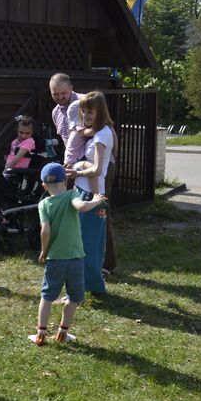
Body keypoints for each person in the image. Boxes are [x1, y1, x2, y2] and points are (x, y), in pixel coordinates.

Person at [50, 72, 119, 276]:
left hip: (94, 167)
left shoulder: (85, 102)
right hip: (77, 169)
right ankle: (84, 261)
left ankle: (106, 263)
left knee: (100, 211)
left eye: (63, 93)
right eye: (55, 94)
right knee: (80, 215)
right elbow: (68, 139)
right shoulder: (56, 112)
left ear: (70, 87)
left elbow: (104, 130)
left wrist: (83, 134)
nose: (60, 97)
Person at [30, 163, 106, 346]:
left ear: (44, 186)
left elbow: (45, 230)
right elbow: (81, 207)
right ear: (65, 181)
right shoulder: (72, 194)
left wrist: (44, 251)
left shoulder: (43, 204)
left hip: (55, 259)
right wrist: (96, 200)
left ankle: (41, 334)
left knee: (47, 296)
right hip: (76, 258)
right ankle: (62, 332)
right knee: (74, 298)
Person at [68, 91, 115, 295]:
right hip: (85, 191)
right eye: (84, 112)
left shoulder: (102, 135)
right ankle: (86, 285)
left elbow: (97, 169)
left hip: (91, 196)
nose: (86, 116)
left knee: (88, 243)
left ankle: (90, 286)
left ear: (100, 111)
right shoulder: (97, 131)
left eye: (90, 112)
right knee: (83, 241)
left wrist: (75, 171)